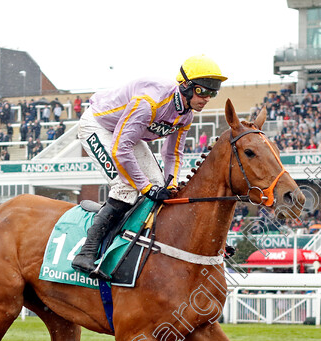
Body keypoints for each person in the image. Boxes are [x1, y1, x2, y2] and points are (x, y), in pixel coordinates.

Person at [71, 55, 227, 277]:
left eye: (213, 93)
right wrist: (145, 187)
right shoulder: (149, 103)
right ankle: (86, 253)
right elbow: (120, 150)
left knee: (158, 186)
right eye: (203, 91)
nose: (207, 98)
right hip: (98, 126)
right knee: (127, 188)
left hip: (125, 135)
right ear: (186, 86)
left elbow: (172, 154)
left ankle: (136, 246)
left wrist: (170, 183)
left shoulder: (186, 116)